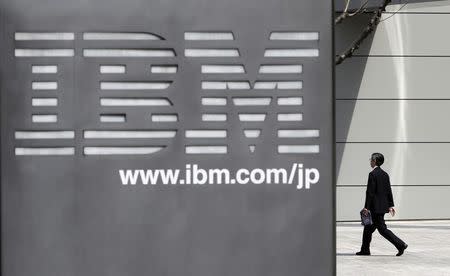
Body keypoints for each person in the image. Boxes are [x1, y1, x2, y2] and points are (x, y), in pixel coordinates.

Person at [356, 153, 408, 256]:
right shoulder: (385, 174)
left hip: (375, 208)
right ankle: (365, 250)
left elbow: (370, 192)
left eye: (371, 159)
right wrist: (390, 205)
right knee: (368, 229)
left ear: (375, 161)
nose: (370, 161)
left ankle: (400, 244)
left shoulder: (372, 174)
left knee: (382, 230)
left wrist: (366, 207)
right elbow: (388, 191)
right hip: (382, 207)